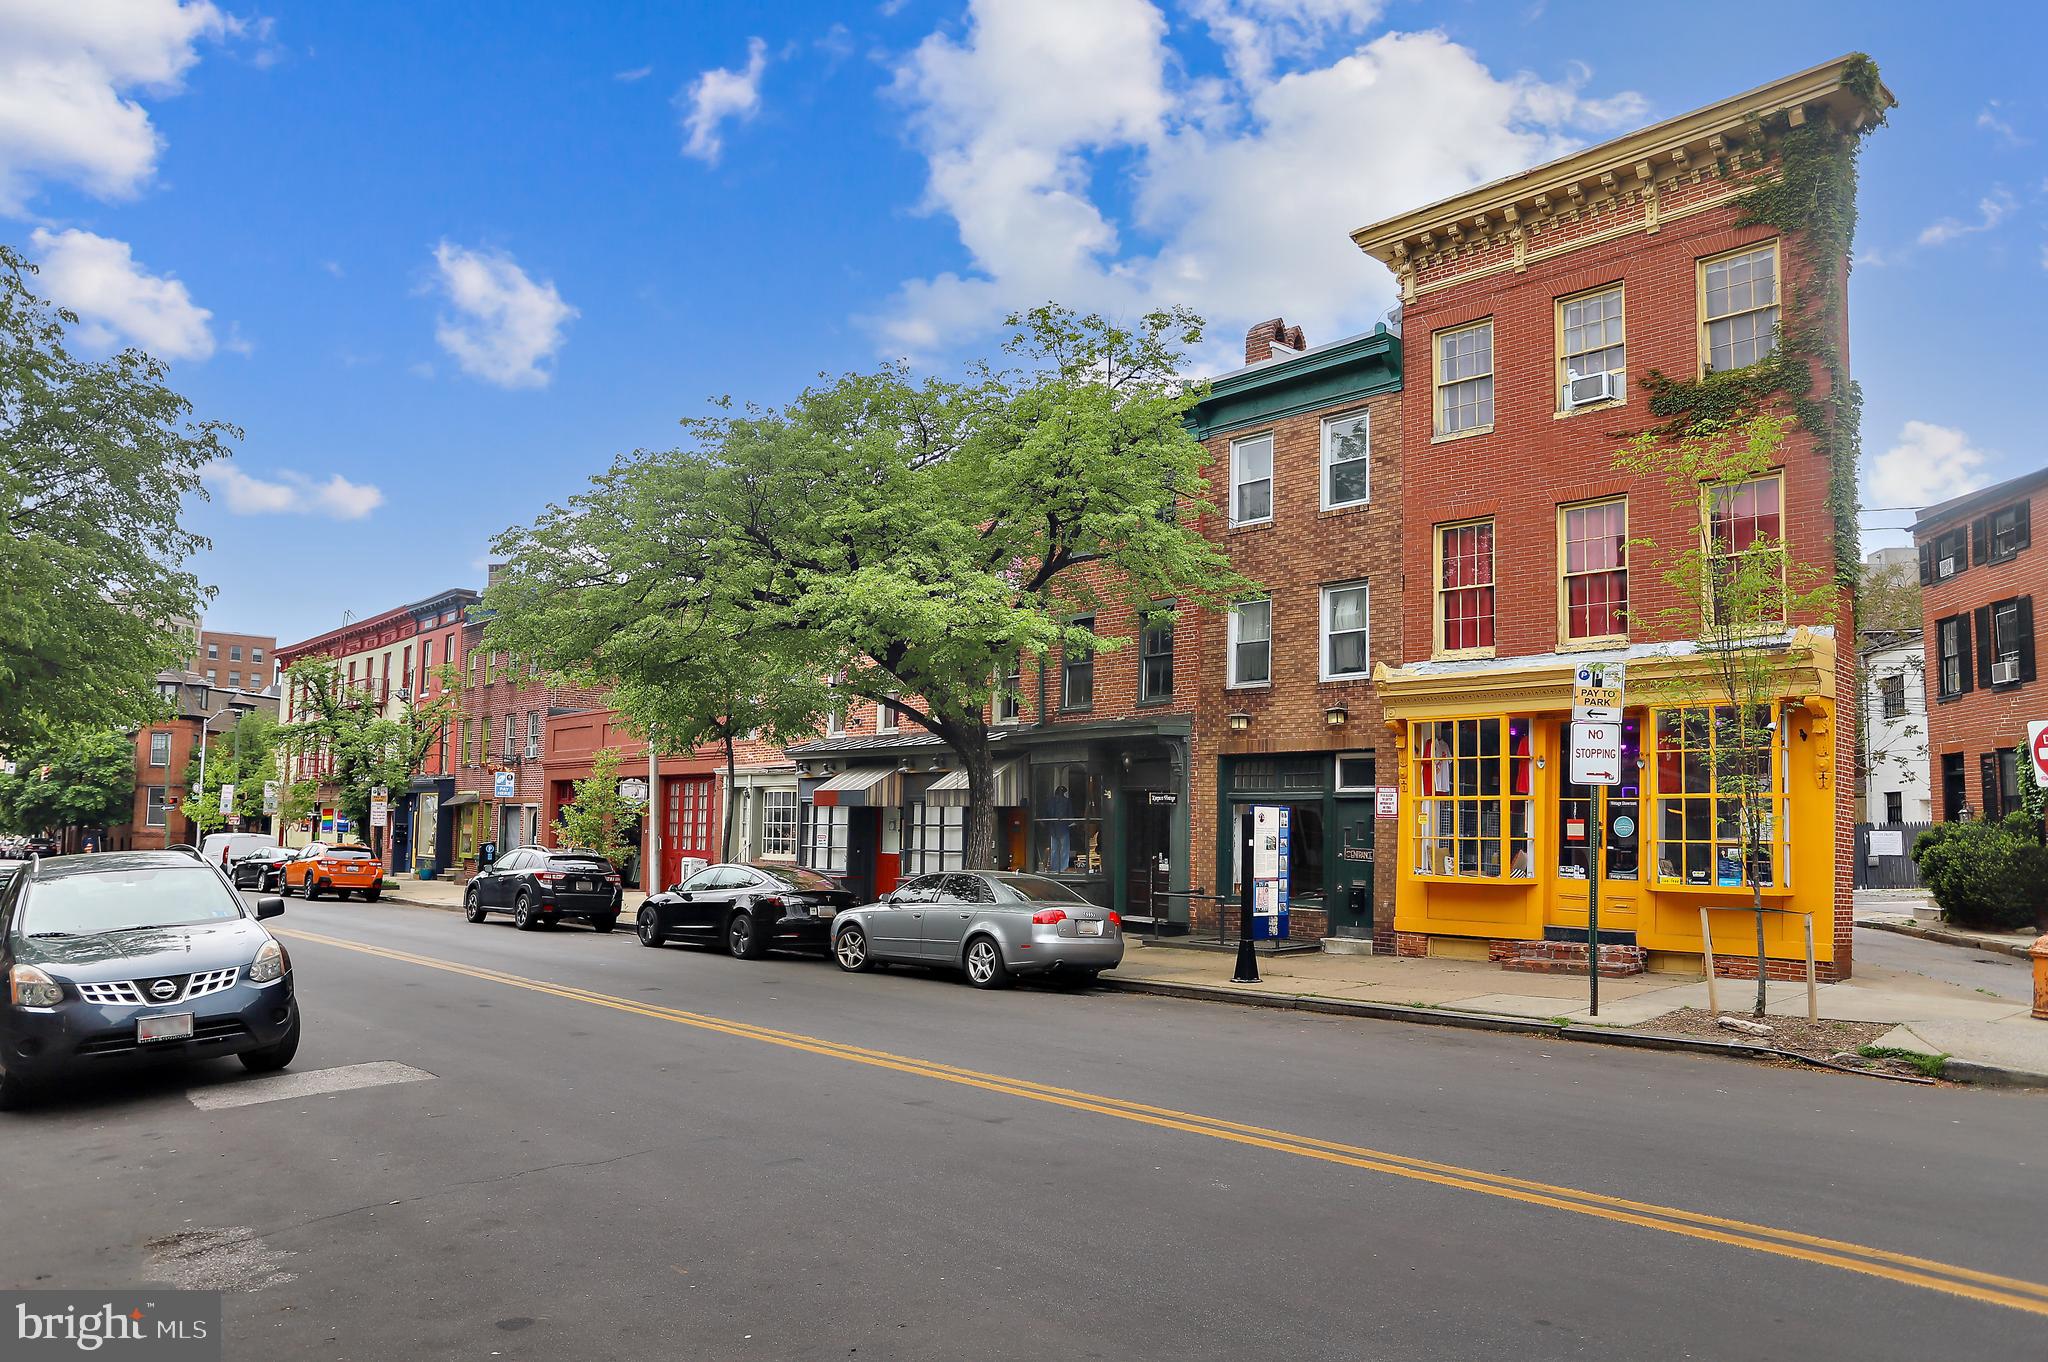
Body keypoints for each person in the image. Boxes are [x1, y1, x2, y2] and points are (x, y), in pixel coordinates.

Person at [1044, 784, 1073, 871]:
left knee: (1054, 849)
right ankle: (1063, 868)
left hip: (1053, 828)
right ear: (1063, 793)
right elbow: (1070, 814)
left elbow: (1046, 814)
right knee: (1064, 849)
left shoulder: (1049, 801)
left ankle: (1054, 868)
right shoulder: (1066, 801)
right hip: (1063, 827)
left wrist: (1045, 823)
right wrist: (1072, 823)